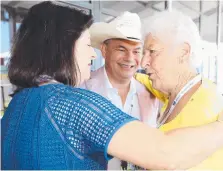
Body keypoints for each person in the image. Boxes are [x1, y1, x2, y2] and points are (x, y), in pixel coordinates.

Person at [1, 1, 223, 170]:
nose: (92, 54)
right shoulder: (73, 104)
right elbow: (165, 152)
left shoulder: (20, 103)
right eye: (87, 45)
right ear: (63, 49)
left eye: (147, 51)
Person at [136, 10, 223, 170]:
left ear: (183, 52)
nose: (143, 62)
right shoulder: (174, 93)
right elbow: (140, 79)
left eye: (152, 52)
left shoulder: (206, 108)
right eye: (144, 53)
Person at [80, 11, 159, 170]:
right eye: (121, 49)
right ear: (104, 50)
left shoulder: (151, 95)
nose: (130, 58)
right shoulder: (82, 90)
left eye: (136, 51)